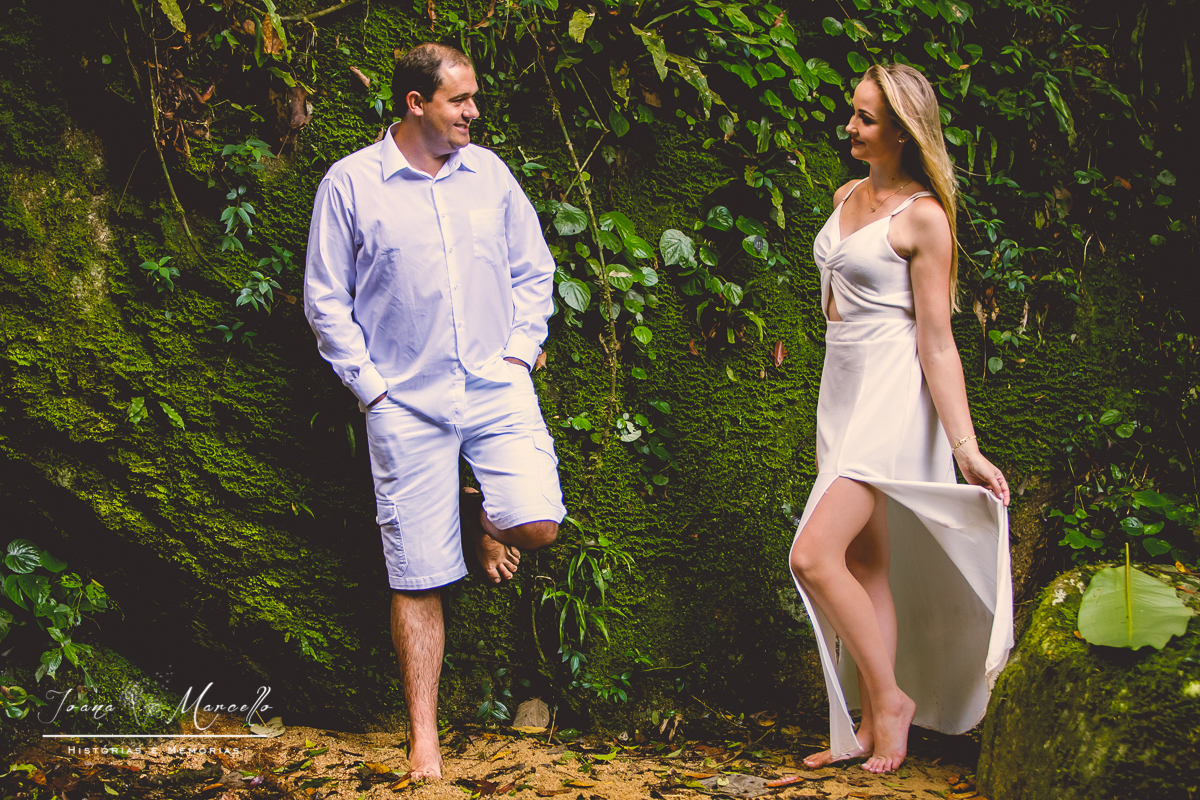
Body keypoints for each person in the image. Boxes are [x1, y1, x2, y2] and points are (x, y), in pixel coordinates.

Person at [303, 42, 567, 780]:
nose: (474, 112)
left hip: (494, 387)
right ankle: (424, 738)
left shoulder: (490, 175)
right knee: (417, 574)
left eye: (473, 97)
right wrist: (372, 389)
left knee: (539, 524)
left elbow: (534, 269)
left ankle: (476, 509)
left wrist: (520, 352)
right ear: (416, 103)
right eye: (460, 100)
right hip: (404, 403)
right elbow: (325, 299)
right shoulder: (351, 183)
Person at [788, 63, 1014, 775]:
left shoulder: (923, 218)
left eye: (866, 118)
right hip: (842, 389)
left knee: (812, 556)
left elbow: (937, 342)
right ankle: (869, 726)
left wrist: (965, 447)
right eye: (852, 111)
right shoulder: (846, 195)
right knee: (866, 563)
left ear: (904, 132)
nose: (850, 127)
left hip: (892, 396)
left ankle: (891, 701)